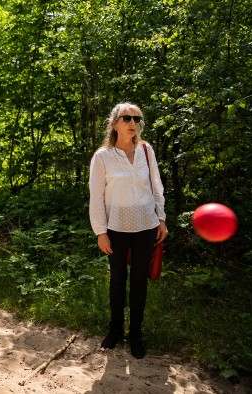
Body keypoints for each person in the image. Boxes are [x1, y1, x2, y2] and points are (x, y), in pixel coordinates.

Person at [89, 103, 167, 359]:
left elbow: (157, 186)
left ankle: (135, 334)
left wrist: (161, 218)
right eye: (127, 118)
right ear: (114, 123)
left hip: (147, 226)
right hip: (116, 228)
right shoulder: (102, 157)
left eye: (137, 118)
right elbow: (96, 197)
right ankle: (114, 331)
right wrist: (101, 231)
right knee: (118, 280)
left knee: (139, 282)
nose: (133, 122)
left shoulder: (147, 151)